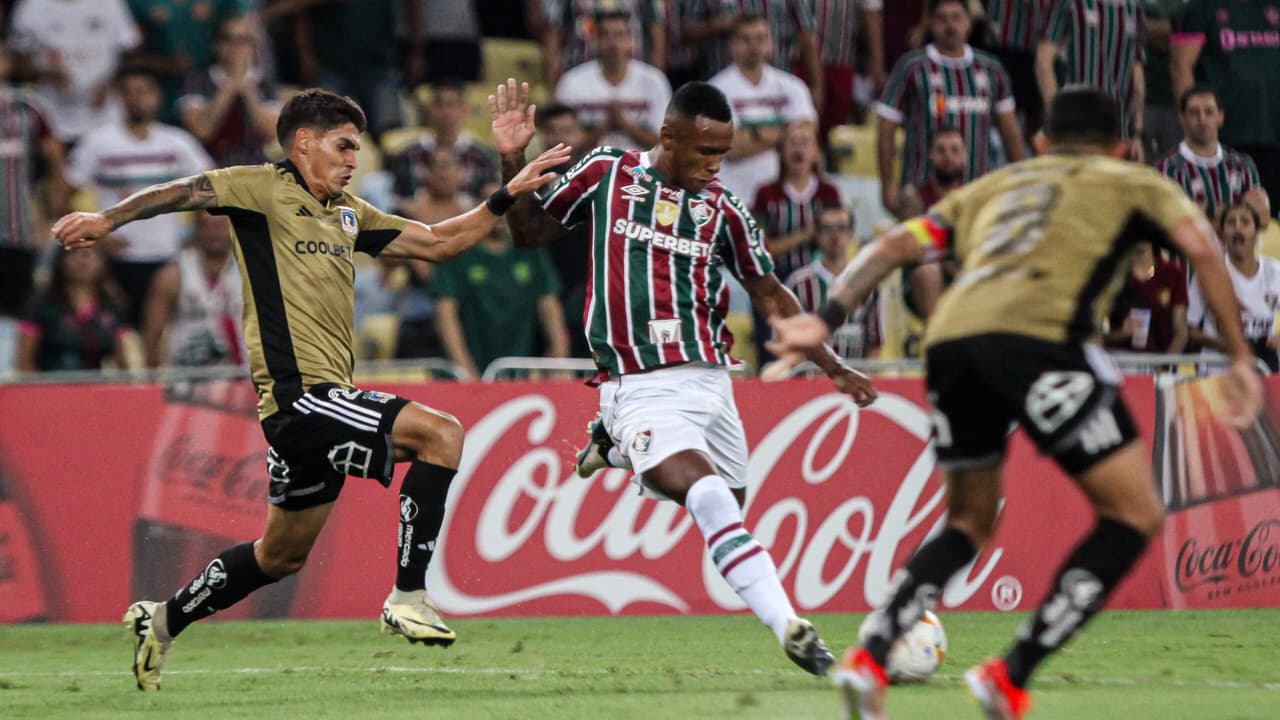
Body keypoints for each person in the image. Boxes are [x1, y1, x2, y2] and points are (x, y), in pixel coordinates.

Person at [52, 87, 571, 691]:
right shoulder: (262, 187)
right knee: (442, 433)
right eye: (344, 145)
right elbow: (184, 191)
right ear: (304, 142)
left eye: (356, 147)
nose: (355, 158)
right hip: (301, 394)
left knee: (280, 556)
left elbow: (437, 242)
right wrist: (106, 218)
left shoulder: (348, 211)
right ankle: (407, 596)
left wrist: (508, 190)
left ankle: (163, 620)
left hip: (318, 405)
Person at [769, 86, 1262, 719]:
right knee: (1134, 515)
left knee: (968, 523)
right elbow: (1201, 246)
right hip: (1043, 342)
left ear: (1040, 143)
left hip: (951, 343)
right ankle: (1012, 673)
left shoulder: (996, 185)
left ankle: (870, 659)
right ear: (1119, 145)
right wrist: (1239, 356)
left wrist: (825, 316)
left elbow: (893, 246)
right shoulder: (1132, 181)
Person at [493, 77, 876, 676]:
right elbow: (527, 233)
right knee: (708, 499)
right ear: (667, 137)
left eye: (722, 154)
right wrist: (513, 158)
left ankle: (614, 448)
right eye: (704, 153)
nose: (714, 166)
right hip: (640, 382)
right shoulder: (608, 172)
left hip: (713, 383)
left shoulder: (722, 209)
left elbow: (768, 291)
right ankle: (794, 630)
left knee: (731, 505)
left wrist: (832, 365)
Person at [66, 68, 214, 327]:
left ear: (157, 96)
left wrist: (195, 238)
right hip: (116, 260)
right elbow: (64, 194)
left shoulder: (178, 143)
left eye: (143, 91)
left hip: (170, 256)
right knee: (120, 334)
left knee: (165, 333)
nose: (135, 98)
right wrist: (96, 241)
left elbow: (214, 191)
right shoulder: (98, 142)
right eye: (128, 92)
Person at [877, 0, 1024, 218]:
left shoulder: (991, 69)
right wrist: (888, 183)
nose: (950, 25)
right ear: (930, 24)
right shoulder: (912, 67)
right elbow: (886, 128)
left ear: (969, 23)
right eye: (942, 19)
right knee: (921, 250)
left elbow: (1009, 130)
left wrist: (1021, 178)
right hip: (920, 192)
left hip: (977, 191)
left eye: (956, 18)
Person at [1171, 0, 1280, 210]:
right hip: (1223, 134)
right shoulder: (1200, 8)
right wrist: (1193, 124)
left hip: (1272, 130)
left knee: (1270, 219)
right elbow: (1180, 67)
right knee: (1222, 216)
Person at [433, 222, 568, 379]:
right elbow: (445, 314)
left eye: (507, 206)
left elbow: (550, 305)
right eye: (495, 205)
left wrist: (559, 357)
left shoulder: (530, 251)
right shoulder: (458, 251)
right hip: (468, 371)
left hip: (518, 372)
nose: (501, 214)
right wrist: (465, 370)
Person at [709, 14, 818, 206]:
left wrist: (752, 134)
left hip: (783, 200)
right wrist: (785, 133)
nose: (753, 46)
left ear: (770, 42)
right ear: (732, 44)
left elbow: (807, 137)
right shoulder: (715, 90)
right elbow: (731, 147)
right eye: (745, 39)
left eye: (760, 38)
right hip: (733, 198)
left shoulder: (793, 86)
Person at [6, 0, 139, 144]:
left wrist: (110, 82)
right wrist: (46, 73)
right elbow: (17, 67)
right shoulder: (32, 6)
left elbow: (130, 51)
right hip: (52, 118)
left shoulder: (110, 3)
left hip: (104, 116)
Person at [1037, 0, 1147, 161]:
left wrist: (1137, 133)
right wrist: (1056, 118)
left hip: (1118, 129)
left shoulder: (1134, 8)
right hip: (1074, 128)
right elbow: (1043, 61)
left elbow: (1136, 73)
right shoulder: (1069, 4)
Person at [554, 10, 673, 151]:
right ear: (594, 40)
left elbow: (665, 144)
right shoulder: (572, 82)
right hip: (587, 169)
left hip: (641, 169)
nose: (613, 42)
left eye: (620, 35)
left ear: (631, 40)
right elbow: (562, 145)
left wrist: (625, 125)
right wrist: (605, 127)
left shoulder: (654, 80)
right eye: (605, 35)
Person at [1155, 84, 1270, 228]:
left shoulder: (1243, 165)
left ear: (1220, 117)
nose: (1202, 119)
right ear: (1182, 119)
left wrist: (1202, 211)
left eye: (1209, 112)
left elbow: (1262, 219)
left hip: (1234, 250)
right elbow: (1169, 221)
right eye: (1194, 112)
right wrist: (1238, 211)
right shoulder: (1166, 169)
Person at [140, 212, 243, 368]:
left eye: (219, 224)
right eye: (205, 225)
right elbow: (153, 334)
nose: (213, 232)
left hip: (243, 374)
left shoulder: (251, 269)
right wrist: (154, 380)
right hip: (189, 373)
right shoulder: (173, 274)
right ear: (195, 228)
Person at [125, 0, 251, 125]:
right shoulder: (140, 3)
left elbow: (241, 32)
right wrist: (163, 63)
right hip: (161, 100)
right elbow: (125, 57)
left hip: (209, 94)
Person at [1189, 203, 1280, 372]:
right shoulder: (1209, 273)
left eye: (1245, 222)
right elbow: (1190, 330)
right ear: (1223, 233)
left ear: (1257, 231)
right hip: (1217, 372)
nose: (1238, 228)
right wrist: (1223, 344)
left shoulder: (1275, 272)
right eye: (1231, 223)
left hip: (1262, 370)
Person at [179, 15, 281, 167]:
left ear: (253, 47)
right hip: (209, 169)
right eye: (228, 39)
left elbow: (271, 133)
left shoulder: (265, 83)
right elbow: (202, 131)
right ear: (216, 45)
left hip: (255, 169)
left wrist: (248, 91)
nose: (236, 47)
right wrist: (229, 87)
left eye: (243, 40)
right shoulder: (197, 81)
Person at [783, 203, 880, 360]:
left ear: (851, 234)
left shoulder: (867, 281)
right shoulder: (799, 283)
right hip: (810, 378)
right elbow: (790, 342)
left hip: (855, 376)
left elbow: (875, 344)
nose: (834, 235)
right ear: (816, 235)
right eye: (827, 229)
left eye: (841, 228)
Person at [17, 245, 132, 372]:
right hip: (50, 383)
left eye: (90, 255)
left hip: (95, 384)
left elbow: (123, 360)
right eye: (75, 254)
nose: (83, 261)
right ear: (61, 261)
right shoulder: (41, 303)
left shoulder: (113, 305)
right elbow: (25, 360)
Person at [388, 81, 500, 206]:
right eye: (439, 104)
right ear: (429, 109)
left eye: (451, 105)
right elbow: (396, 201)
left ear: (465, 110)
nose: (445, 112)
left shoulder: (482, 157)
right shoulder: (407, 156)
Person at [982, 0, 1051, 142]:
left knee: (1036, 115)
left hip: (1039, 48)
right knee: (1002, 109)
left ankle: (1035, 154)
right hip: (1001, 46)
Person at [1104, 241, 1188, 355]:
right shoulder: (1113, 273)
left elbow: (1181, 332)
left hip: (1157, 360)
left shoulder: (1173, 273)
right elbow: (1092, 334)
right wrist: (1121, 333)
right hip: (1116, 360)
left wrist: (1164, 366)